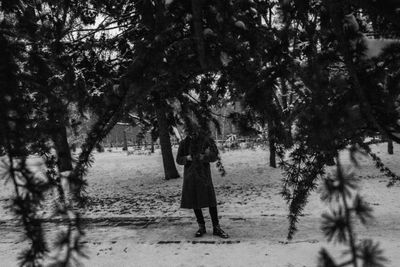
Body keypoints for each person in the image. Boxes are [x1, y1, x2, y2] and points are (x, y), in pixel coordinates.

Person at [176, 127, 229, 238]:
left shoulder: (206, 141)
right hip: (190, 176)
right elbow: (179, 159)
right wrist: (187, 158)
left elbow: (214, 156)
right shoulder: (184, 143)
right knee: (195, 201)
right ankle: (201, 227)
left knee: (211, 201)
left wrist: (203, 157)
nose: (191, 134)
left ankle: (216, 227)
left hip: (204, 176)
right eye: (189, 131)